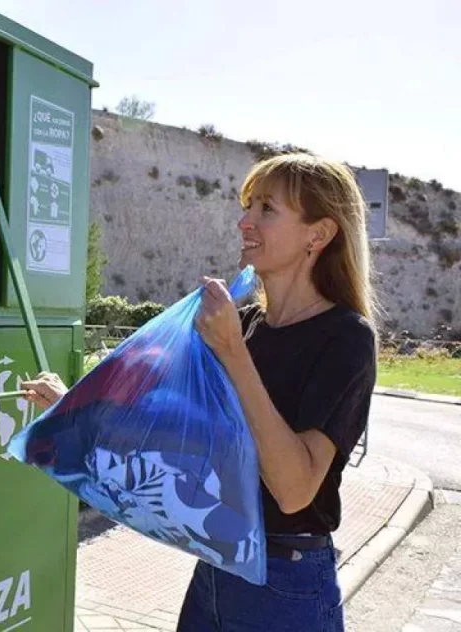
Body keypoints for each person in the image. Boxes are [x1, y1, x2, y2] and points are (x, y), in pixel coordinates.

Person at [21, 153, 378, 631]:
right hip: (219, 565)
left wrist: (234, 354)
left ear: (319, 234)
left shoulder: (345, 338)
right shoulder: (244, 323)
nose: (244, 221)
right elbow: (174, 436)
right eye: (248, 206)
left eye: (266, 209)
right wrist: (75, 407)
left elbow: (294, 490)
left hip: (285, 582)